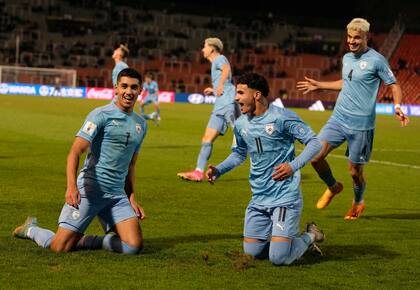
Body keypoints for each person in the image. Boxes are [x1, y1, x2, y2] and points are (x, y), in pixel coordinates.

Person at [13, 68, 148, 254]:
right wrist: (71, 187)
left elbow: (131, 165)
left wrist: (131, 197)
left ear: (141, 90)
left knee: (133, 247)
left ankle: (100, 240)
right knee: (59, 247)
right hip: (90, 191)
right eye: (124, 86)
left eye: (134, 87)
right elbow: (75, 152)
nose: (128, 92)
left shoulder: (141, 124)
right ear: (116, 88)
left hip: (116, 197)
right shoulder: (100, 115)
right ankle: (31, 229)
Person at [296, 18, 410, 220]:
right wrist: (320, 85)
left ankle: (358, 202)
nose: (352, 41)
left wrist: (398, 106)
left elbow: (394, 85)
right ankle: (333, 186)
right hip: (338, 119)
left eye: (357, 37)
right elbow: (346, 82)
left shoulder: (377, 60)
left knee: (354, 172)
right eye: (349, 37)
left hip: (361, 126)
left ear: (367, 37)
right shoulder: (347, 58)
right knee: (315, 156)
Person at [206, 73, 325, 265]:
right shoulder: (241, 123)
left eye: (240, 93)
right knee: (253, 253)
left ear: (257, 95)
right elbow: (238, 154)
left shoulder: (282, 118)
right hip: (259, 196)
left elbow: (314, 143)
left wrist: (292, 166)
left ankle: (310, 236)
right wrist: (218, 170)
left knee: (278, 258)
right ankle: (284, 239)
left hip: (284, 197)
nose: (236, 98)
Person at [177, 37, 238, 181]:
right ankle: (198, 172)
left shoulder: (220, 58)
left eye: (204, 46)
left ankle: (269, 164)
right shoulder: (214, 63)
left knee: (244, 136)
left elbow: (227, 70)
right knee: (207, 139)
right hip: (219, 105)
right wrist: (215, 88)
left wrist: (221, 85)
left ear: (212, 48)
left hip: (229, 102)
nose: (202, 49)